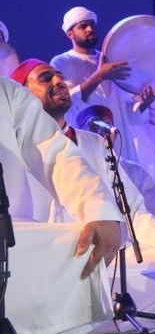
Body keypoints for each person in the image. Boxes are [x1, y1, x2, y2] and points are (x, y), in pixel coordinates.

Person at [12, 59, 155, 313]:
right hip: (51, 264)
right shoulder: (15, 150)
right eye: (46, 78)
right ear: (22, 95)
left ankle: (113, 321)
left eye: (59, 76)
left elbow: (134, 213)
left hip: (106, 257)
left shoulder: (96, 145)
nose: (58, 81)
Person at [0, 75, 122, 280]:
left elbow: (53, 152)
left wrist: (97, 208)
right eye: (46, 78)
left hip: (10, 250)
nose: (58, 81)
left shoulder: (6, 93)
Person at [51, 7, 155, 185]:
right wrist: (99, 76)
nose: (90, 29)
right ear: (70, 34)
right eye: (83, 26)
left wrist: (143, 104)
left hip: (124, 144)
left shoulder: (113, 60)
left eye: (92, 25)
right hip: (92, 146)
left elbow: (127, 113)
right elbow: (69, 103)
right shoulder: (62, 62)